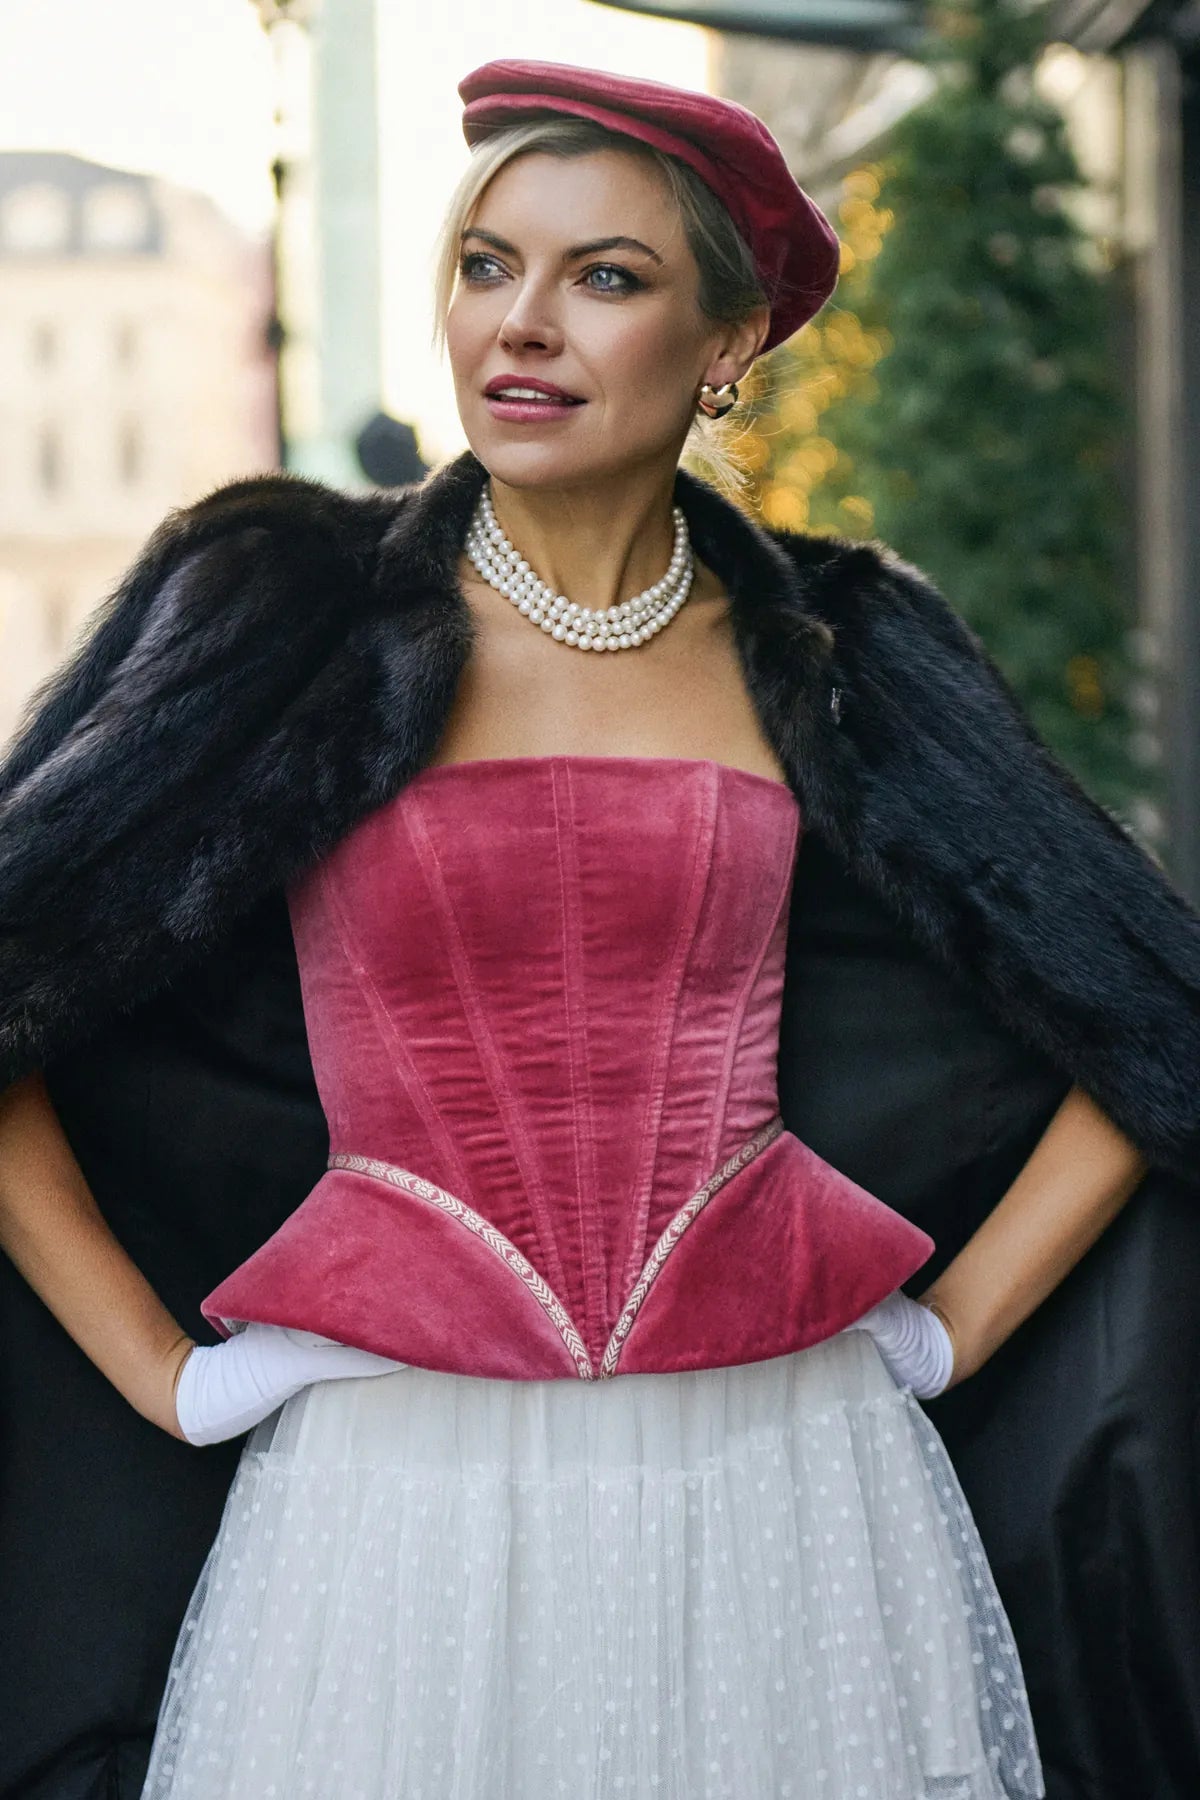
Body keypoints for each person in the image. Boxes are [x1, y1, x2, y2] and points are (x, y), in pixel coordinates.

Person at [0, 56, 1197, 1800]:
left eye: (605, 277)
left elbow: (1142, 1012)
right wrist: (164, 1374)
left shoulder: (839, 652)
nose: (524, 325)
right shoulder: (279, 612)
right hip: (393, 1497)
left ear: (729, 346)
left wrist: (950, 1331)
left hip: (797, 1474)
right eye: (488, 264)